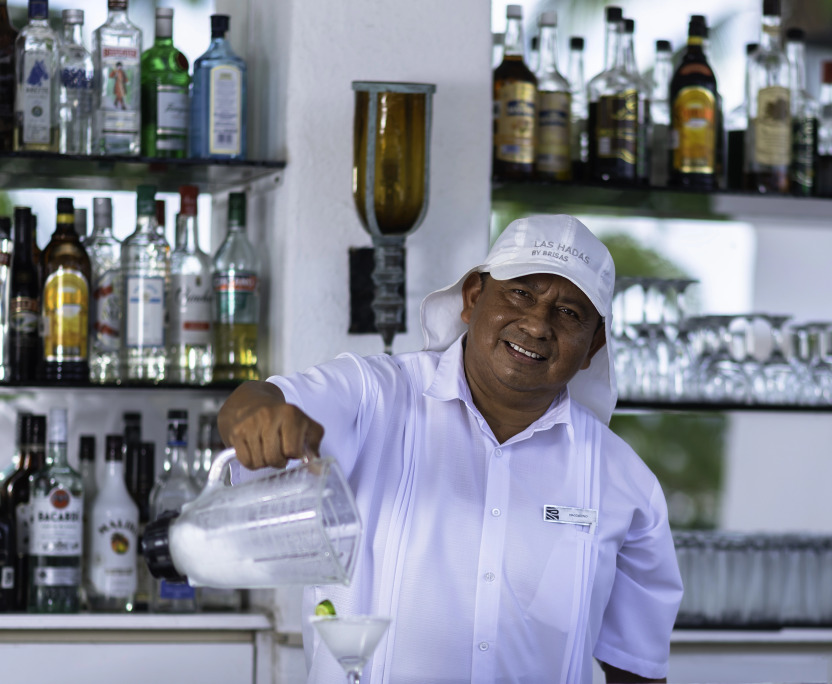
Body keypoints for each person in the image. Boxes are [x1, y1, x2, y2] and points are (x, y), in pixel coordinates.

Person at [218, 214, 684, 684]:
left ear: (593, 345)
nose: (537, 325)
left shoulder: (624, 482)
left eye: (569, 313)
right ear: (473, 297)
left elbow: (638, 671)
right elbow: (255, 401)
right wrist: (256, 413)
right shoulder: (374, 396)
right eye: (521, 293)